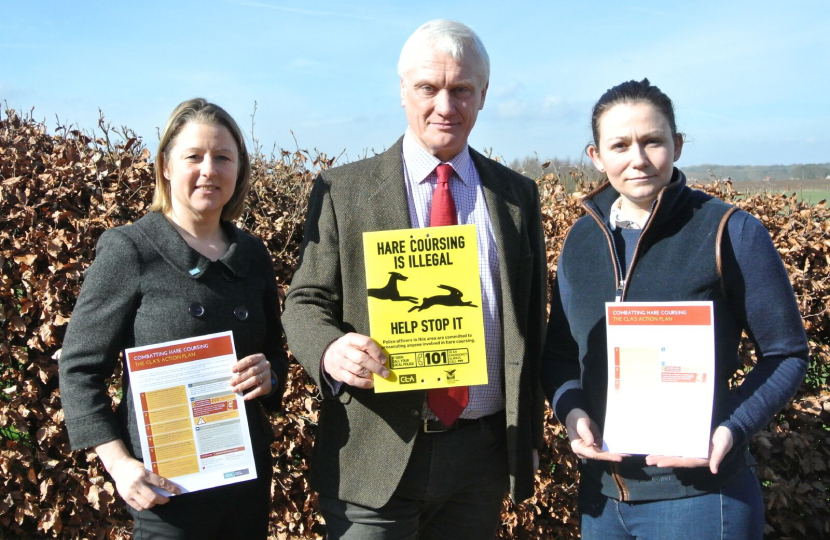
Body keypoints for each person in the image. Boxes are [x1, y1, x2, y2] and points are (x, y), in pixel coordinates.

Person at [282, 19, 547, 539]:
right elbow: (305, 299)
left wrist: (527, 437)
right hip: (376, 448)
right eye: (429, 88)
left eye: (462, 90)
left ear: (484, 96)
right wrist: (330, 351)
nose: (445, 106)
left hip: (481, 457)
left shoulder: (518, 198)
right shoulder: (344, 189)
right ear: (403, 91)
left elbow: (531, 323)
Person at [542, 78, 809, 539]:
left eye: (653, 142)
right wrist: (571, 412)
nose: (638, 159)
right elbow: (560, 356)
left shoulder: (731, 231)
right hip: (602, 503)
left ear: (677, 145)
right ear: (596, 156)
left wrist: (730, 429)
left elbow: (786, 354)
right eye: (620, 145)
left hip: (702, 500)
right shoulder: (580, 240)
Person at [59, 98, 288, 540]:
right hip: (166, 489)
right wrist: (119, 464)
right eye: (193, 156)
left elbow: (274, 352)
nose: (209, 170)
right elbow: (79, 367)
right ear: (165, 166)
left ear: (238, 169)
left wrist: (269, 376)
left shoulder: (253, 254)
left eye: (223, 157)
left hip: (245, 478)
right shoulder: (130, 249)